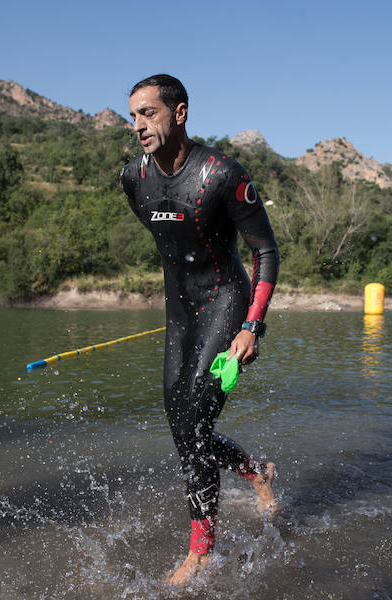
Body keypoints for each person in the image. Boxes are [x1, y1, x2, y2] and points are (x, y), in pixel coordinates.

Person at [119, 74, 279, 585]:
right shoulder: (133, 179)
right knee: (186, 430)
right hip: (179, 315)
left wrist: (252, 325)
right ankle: (256, 472)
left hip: (227, 305)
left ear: (180, 112)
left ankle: (201, 550)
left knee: (193, 426)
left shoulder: (222, 174)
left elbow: (266, 252)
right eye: (133, 116)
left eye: (149, 113)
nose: (139, 125)